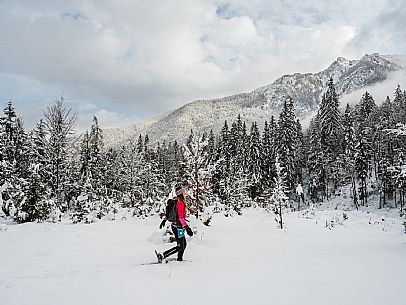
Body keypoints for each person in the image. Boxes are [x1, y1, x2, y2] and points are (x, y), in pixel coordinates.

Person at [156, 187, 193, 263]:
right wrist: (187, 227)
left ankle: (179, 259)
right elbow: (180, 218)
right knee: (181, 246)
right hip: (178, 228)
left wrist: (164, 220)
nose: (185, 194)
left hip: (176, 226)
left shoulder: (176, 201)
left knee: (183, 245)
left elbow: (171, 213)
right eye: (183, 192)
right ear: (181, 194)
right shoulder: (180, 203)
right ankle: (163, 255)